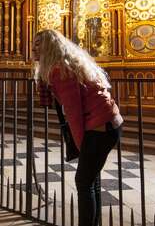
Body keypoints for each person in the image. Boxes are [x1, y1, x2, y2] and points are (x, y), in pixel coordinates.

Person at [32, 29, 123, 226]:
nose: (33, 48)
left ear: (49, 47)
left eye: (38, 43)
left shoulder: (60, 70)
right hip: (109, 124)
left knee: (83, 181)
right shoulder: (70, 62)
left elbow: (73, 112)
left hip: (99, 128)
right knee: (91, 179)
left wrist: (82, 147)